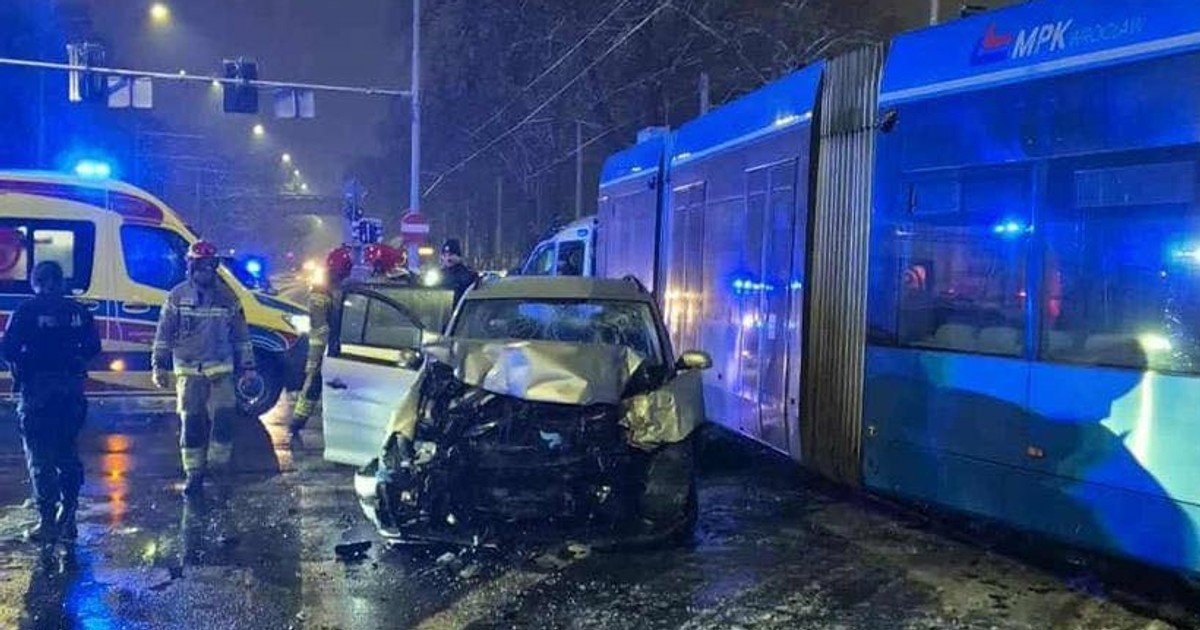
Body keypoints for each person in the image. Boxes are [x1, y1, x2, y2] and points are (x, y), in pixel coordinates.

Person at [2, 261, 102, 542]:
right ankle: (68, 516)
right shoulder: (78, 312)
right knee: (67, 455)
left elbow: (8, 349)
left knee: (40, 460)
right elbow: (94, 347)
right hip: (70, 393)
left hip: (37, 394)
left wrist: (26, 365)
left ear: (36, 283)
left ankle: (47, 521)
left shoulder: (26, 311)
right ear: (61, 281)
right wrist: (74, 360)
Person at [152, 240, 257, 495]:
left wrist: (248, 367)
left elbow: (241, 335)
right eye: (200, 265)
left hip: (221, 369)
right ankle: (194, 474)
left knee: (224, 420)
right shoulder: (177, 296)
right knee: (192, 423)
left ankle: (219, 467)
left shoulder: (227, 298)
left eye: (210, 266)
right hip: (188, 371)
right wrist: (159, 365)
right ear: (191, 266)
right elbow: (163, 334)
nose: (205, 271)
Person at [289, 246, 352, 436]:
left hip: (336, 345)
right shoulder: (322, 290)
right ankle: (296, 424)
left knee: (330, 387)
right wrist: (314, 361)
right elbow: (319, 329)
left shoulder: (339, 287)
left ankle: (300, 424)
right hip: (323, 347)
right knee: (314, 384)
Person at [439, 238, 479, 302]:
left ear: (458, 256)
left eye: (451, 254)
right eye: (444, 255)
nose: (448, 258)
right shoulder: (439, 275)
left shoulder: (468, 275)